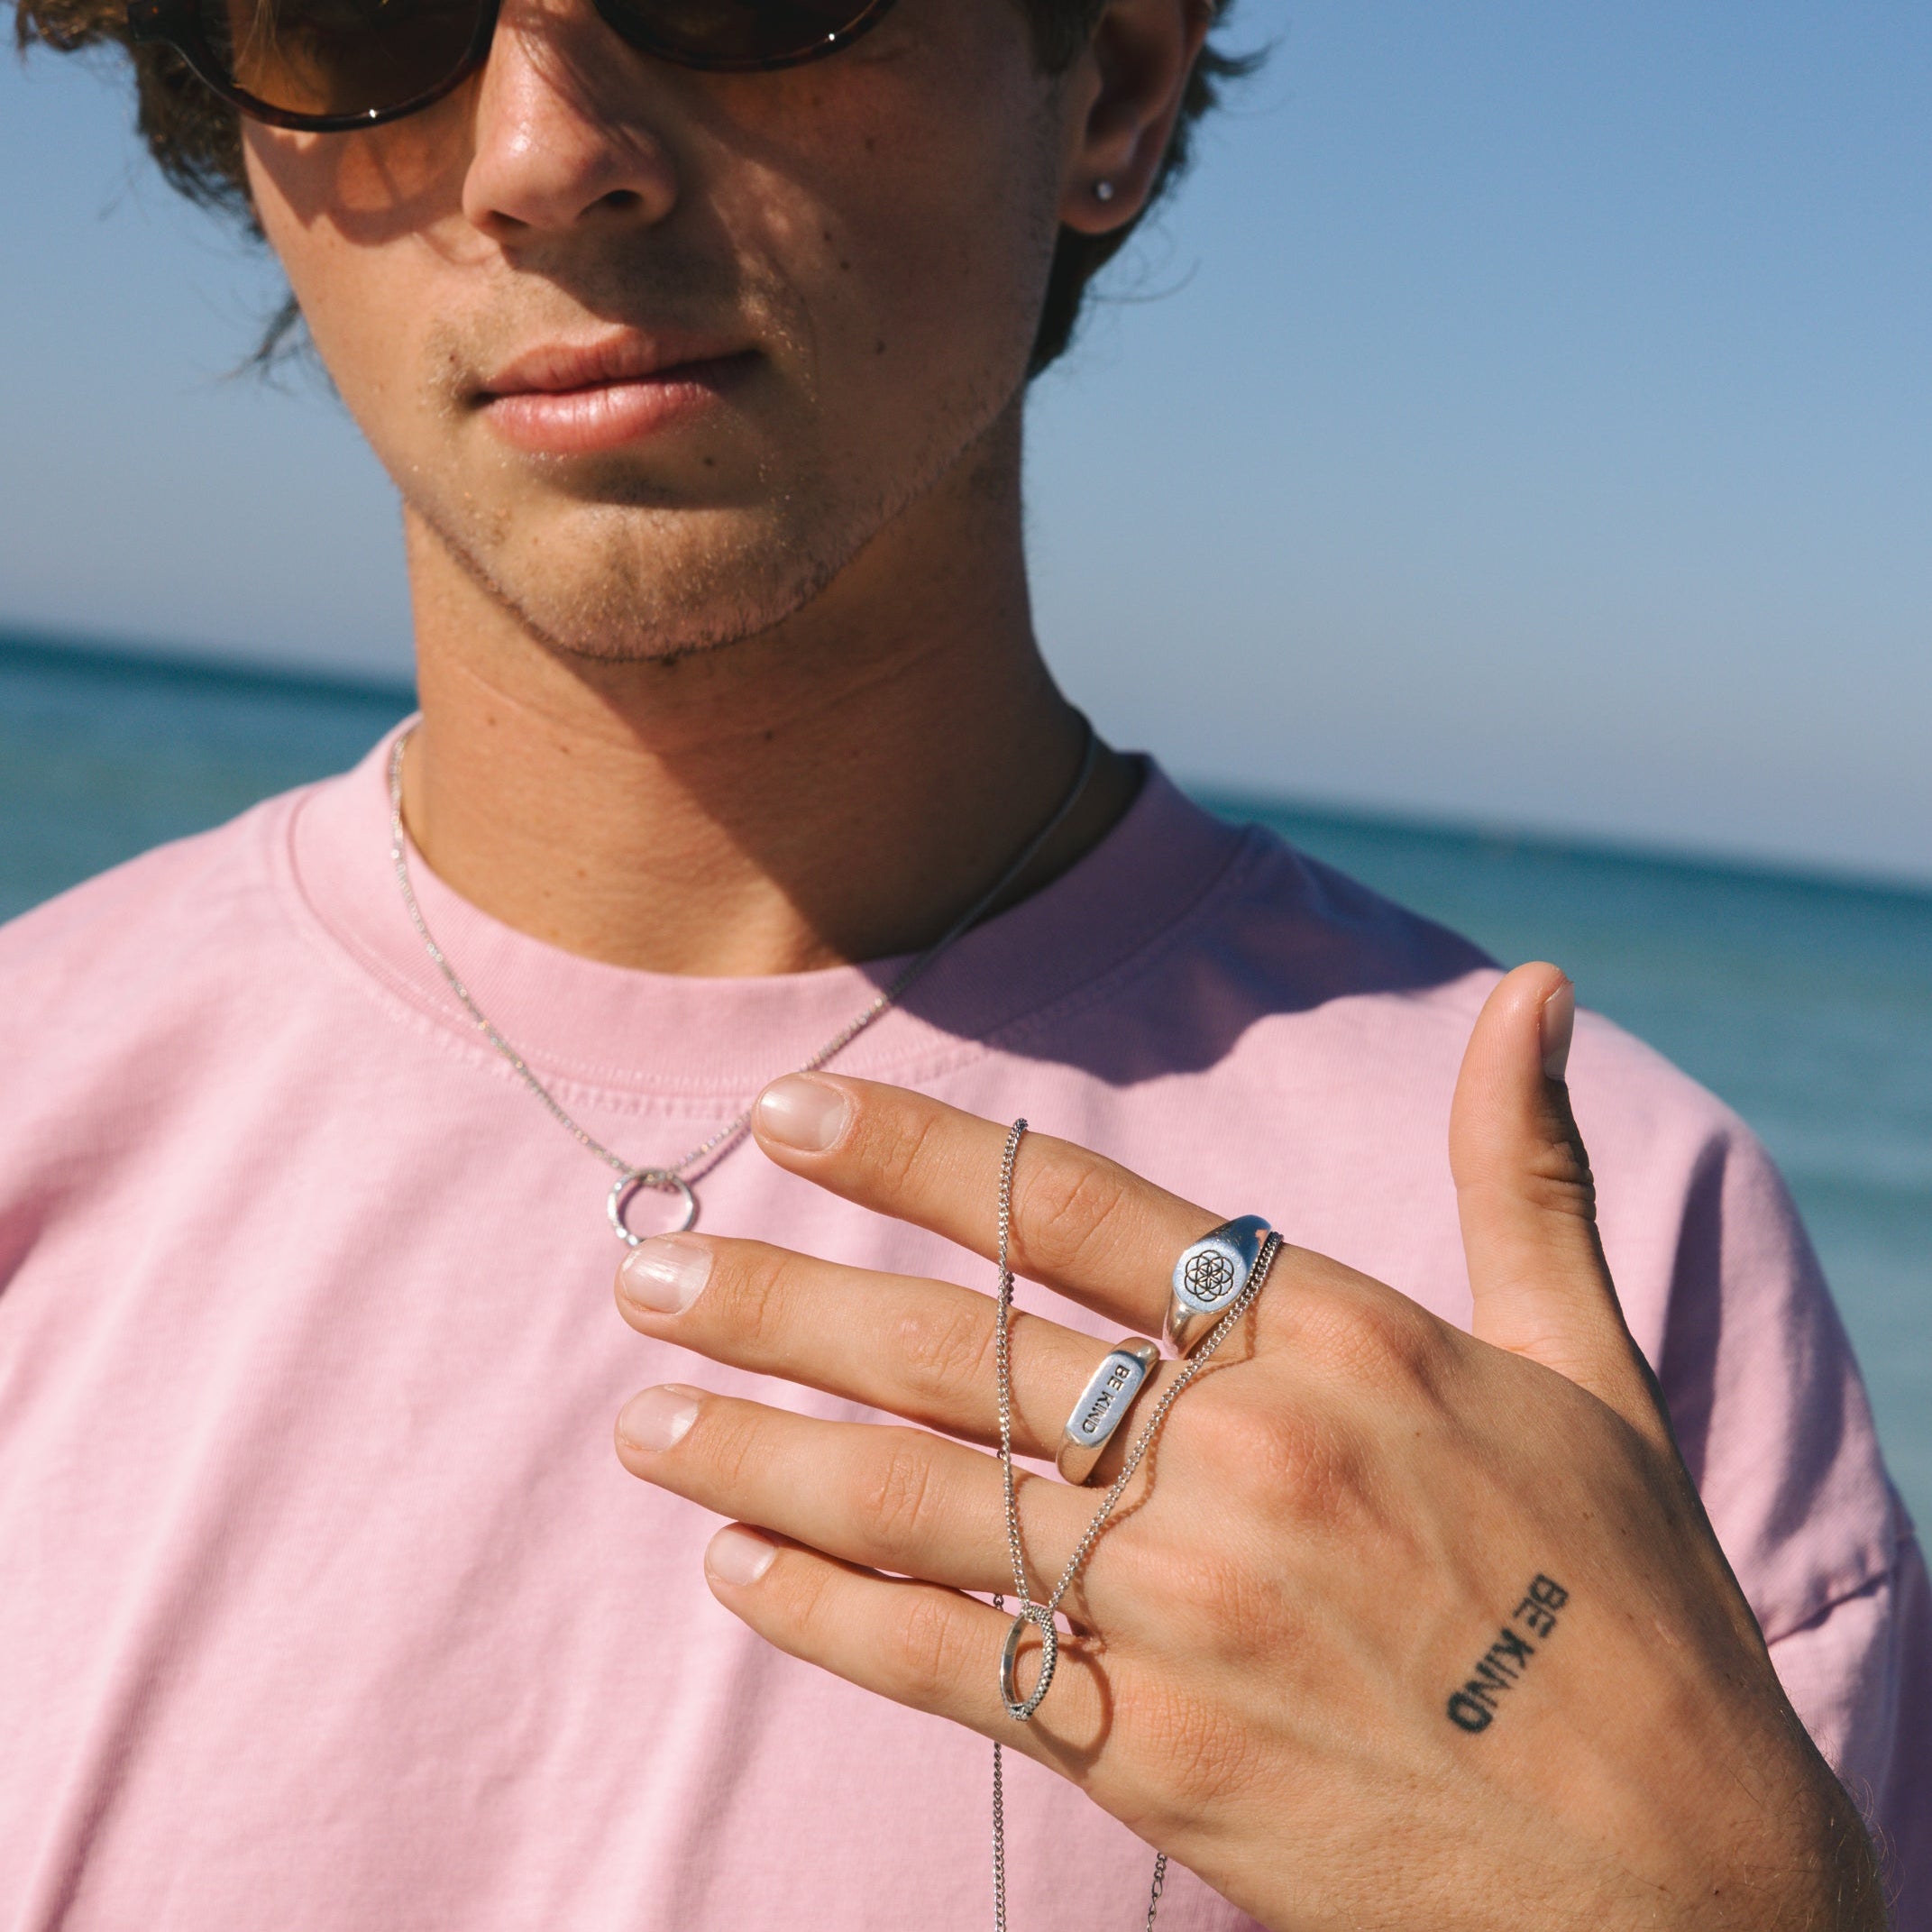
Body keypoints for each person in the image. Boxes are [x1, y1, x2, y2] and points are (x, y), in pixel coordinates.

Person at [3, 0, 1925, 1919]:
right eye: (358, 14)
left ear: (1109, 75)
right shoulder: (38, 1122)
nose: (539, 150)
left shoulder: (1581, 1288)